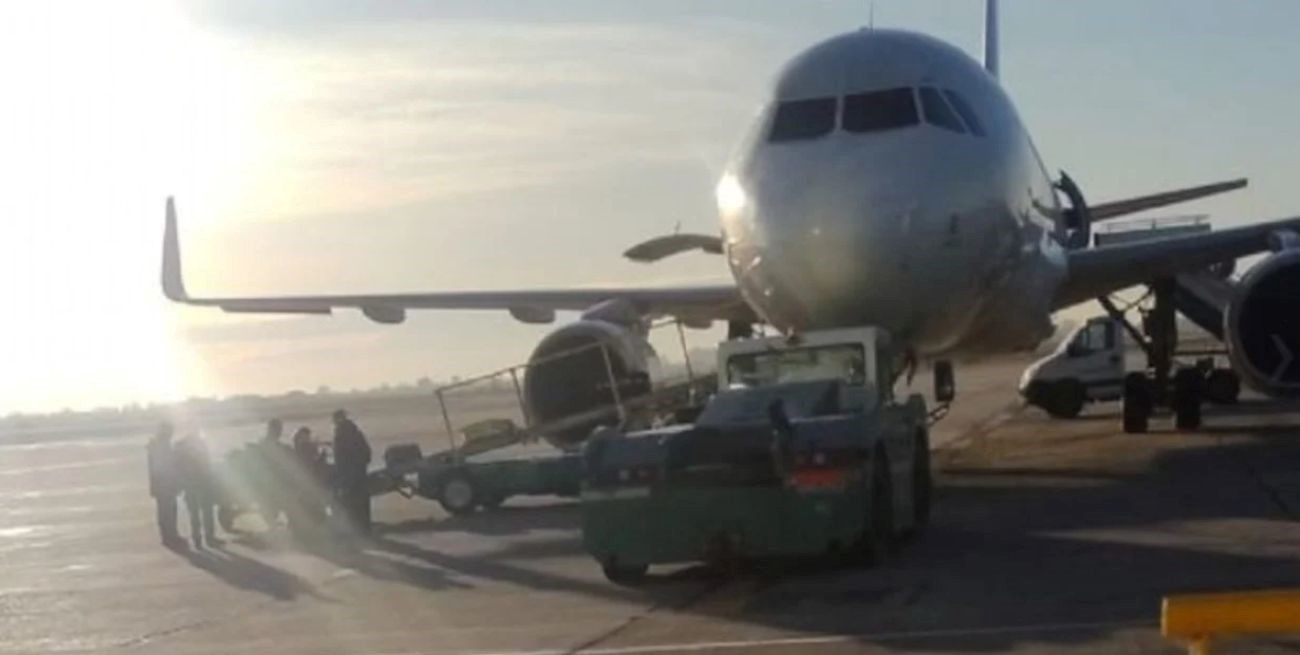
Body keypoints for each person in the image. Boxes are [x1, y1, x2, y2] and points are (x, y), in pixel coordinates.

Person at [331, 409, 373, 534]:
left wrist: (341, 472)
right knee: (362, 501)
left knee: (350, 501)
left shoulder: (340, 435)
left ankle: (355, 529)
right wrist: (361, 465)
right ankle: (365, 527)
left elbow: (339, 457)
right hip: (360, 471)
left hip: (348, 473)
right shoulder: (356, 432)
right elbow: (367, 453)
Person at [176, 432, 220, 548]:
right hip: (201, 483)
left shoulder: (181, 447)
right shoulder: (200, 444)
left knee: (195, 513)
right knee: (205, 512)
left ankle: (197, 539)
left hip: (191, 484)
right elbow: (206, 465)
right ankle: (208, 538)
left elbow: (178, 469)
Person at [146, 422, 182, 547]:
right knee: (168, 511)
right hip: (165, 483)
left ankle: (168, 535)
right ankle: (170, 536)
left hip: (161, 484)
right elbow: (165, 467)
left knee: (164, 511)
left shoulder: (156, 445)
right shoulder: (162, 446)